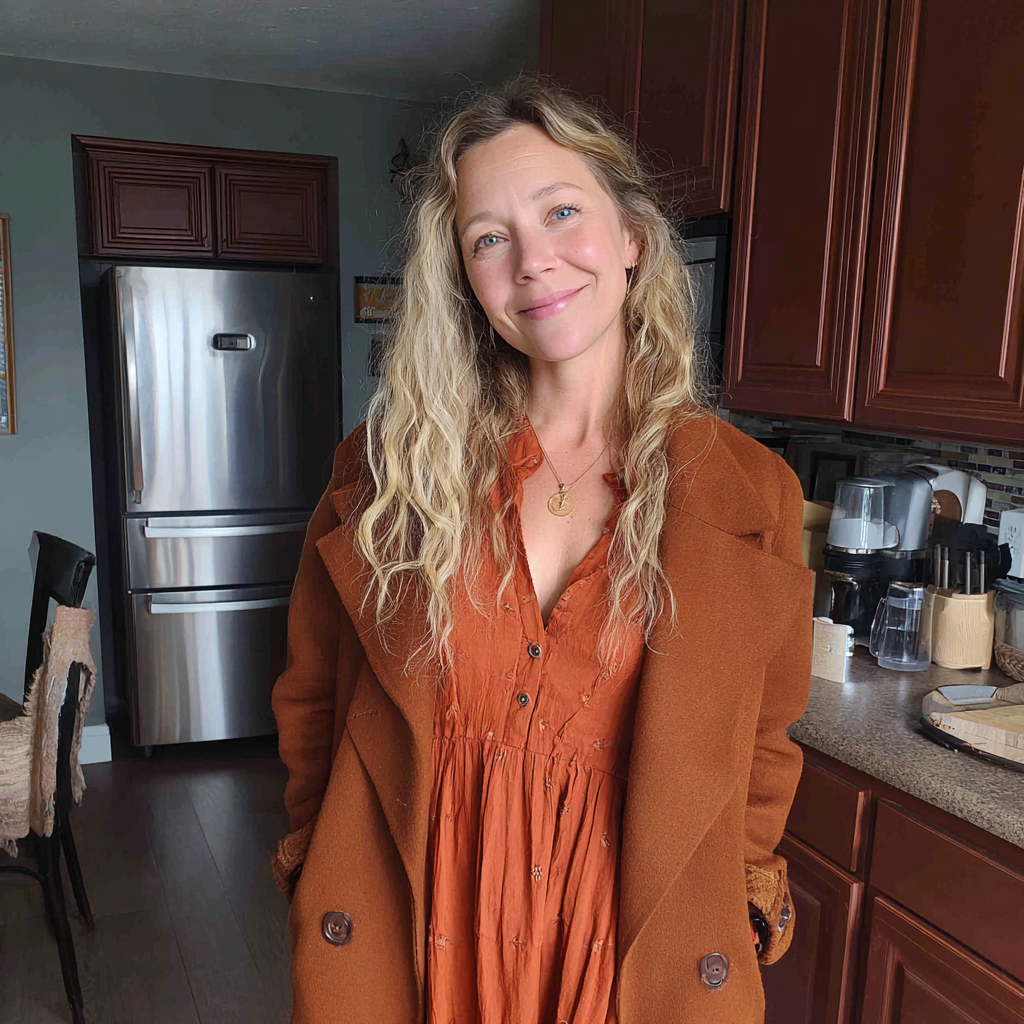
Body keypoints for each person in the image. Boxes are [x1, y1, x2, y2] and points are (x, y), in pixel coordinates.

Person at [271, 77, 812, 1024]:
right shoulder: (383, 478)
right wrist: (314, 861)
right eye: (490, 238)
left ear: (634, 236)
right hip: (419, 944)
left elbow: (764, 739)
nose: (533, 262)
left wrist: (745, 895)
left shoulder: (750, 493)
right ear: (464, 279)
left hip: (627, 961)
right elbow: (314, 697)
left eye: (562, 211)